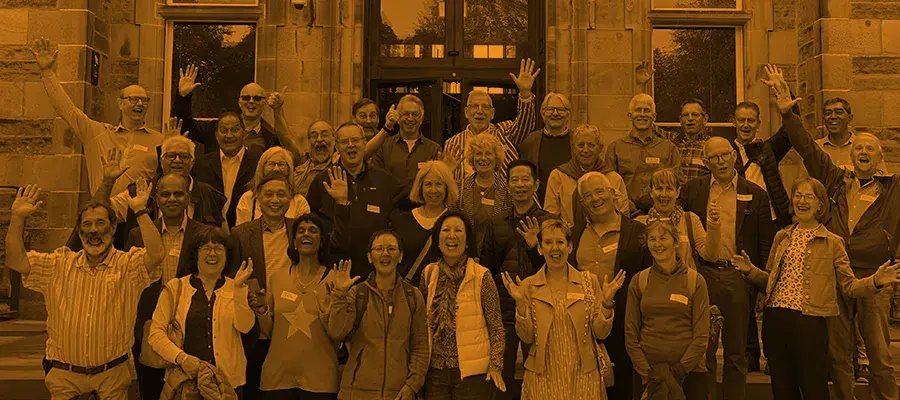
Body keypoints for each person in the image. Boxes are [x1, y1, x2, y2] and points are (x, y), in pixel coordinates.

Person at [762, 64, 900, 400]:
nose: (863, 153)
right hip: (837, 279)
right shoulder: (837, 181)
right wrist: (787, 112)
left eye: (870, 149)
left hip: (875, 279)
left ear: (881, 158)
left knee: (879, 357)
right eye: (858, 150)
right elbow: (808, 149)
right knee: (838, 356)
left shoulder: (894, 189)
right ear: (850, 157)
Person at [732, 176, 900, 399]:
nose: (802, 201)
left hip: (810, 321)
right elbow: (771, 279)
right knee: (782, 389)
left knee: (814, 389)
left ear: (820, 204)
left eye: (808, 196)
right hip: (776, 319)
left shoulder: (833, 242)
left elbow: (849, 286)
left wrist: (875, 281)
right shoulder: (782, 236)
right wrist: (750, 270)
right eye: (798, 196)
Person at [5, 182, 165, 399]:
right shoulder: (58, 264)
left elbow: (156, 255)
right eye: (87, 224)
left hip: (112, 377)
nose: (93, 230)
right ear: (80, 232)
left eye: (100, 223)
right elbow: (16, 260)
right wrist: (17, 218)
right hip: (65, 377)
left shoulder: (128, 265)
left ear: (113, 227)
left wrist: (140, 210)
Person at [678, 136, 775, 400]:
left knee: (735, 351)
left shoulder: (756, 194)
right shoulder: (692, 191)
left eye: (724, 155)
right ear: (706, 162)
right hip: (702, 274)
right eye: (713, 158)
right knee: (703, 350)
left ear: (734, 156)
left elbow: (766, 243)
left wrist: (760, 285)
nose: (720, 161)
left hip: (738, 276)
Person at [502, 218, 624, 399]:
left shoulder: (588, 282)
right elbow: (526, 336)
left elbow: (600, 333)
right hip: (542, 377)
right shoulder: (528, 286)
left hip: (583, 375)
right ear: (540, 248)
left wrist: (606, 304)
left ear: (570, 247)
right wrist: (520, 304)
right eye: (548, 243)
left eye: (560, 242)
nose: (554, 248)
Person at [32, 37, 164, 195]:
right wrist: (47, 73)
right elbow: (66, 109)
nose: (140, 104)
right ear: (121, 104)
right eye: (134, 99)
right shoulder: (97, 133)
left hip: (138, 216)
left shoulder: (159, 140)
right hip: (101, 214)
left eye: (144, 100)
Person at [126, 172, 215, 400]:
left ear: (188, 198)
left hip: (191, 329)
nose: (172, 199)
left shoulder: (205, 234)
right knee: (151, 392)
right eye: (165, 194)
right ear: (155, 199)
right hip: (149, 328)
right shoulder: (138, 234)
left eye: (178, 193)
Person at [569, 172, 652, 400]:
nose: (595, 199)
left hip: (623, 325)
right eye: (587, 196)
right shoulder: (573, 234)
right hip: (581, 327)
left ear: (612, 194)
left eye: (599, 192)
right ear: (582, 203)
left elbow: (648, 281)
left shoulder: (637, 233)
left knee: (620, 390)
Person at [148, 229, 255, 398]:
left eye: (219, 248)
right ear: (195, 254)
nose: (212, 253)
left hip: (227, 385)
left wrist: (239, 289)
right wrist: (182, 359)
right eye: (205, 248)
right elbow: (155, 334)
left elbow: (245, 327)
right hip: (185, 383)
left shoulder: (236, 287)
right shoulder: (176, 288)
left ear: (227, 255)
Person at [478, 159, 552, 399]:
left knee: (542, 376)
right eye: (514, 180)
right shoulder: (496, 222)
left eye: (525, 179)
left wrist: (535, 247)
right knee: (502, 378)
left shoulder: (549, 222)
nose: (520, 185)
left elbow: (557, 269)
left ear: (536, 184)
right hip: (504, 314)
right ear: (508, 185)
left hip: (541, 311)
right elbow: (486, 271)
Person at [327, 229, 430, 400]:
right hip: (356, 392)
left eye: (391, 248)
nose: (385, 254)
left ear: (401, 256)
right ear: (369, 257)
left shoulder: (413, 296)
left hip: (398, 394)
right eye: (379, 249)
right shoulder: (357, 293)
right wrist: (339, 295)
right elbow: (337, 332)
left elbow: (420, 346)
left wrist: (412, 385)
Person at [419, 211, 507, 398]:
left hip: (471, 374)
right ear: (437, 239)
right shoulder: (428, 274)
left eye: (458, 230)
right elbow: (422, 324)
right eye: (446, 230)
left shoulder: (482, 275)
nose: (452, 236)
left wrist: (495, 366)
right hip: (435, 372)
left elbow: (496, 327)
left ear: (467, 241)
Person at [308, 122, 408, 278]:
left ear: (364, 142)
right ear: (337, 147)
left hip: (374, 273)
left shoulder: (384, 180)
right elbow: (312, 222)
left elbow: (413, 200)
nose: (350, 145)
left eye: (355, 140)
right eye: (344, 142)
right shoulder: (323, 181)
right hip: (333, 272)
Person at [257, 214, 341, 399]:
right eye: (301, 231)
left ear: (321, 240)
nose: (306, 234)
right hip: (276, 380)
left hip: (321, 381)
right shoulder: (277, 278)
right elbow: (268, 333)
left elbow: (339, 333)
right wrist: (261, 310)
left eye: (313, 230)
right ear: (294, 240)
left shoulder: (335, 280)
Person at [625, 220, 711, 400]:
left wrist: (678, 373)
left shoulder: (695, 281)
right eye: (652, 239)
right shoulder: (639, 281)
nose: (657, 244)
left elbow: (702, 337)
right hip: (648, 377)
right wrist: (648, 374)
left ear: (676, 242)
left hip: (689, 375)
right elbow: (630, 335)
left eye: (663, 238)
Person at [230, 174, 298, 399]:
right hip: (254, 328)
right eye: (269, 194)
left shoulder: (300, 231)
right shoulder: (240, 234)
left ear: (290, 199)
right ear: (258, 199)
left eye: (281, 194)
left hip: (294, 325)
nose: (275, 200)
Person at [443, 59, 540, 183]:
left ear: (492, 113)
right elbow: (447, 180)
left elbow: (525, 124)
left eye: (485, 107)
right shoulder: (452, 143)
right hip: (465, 200)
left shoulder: (504, 132)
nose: (479, 111)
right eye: (474, 106)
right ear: (466, 112)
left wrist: (525, 93)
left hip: (501, 200)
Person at [174, 64, 292, 155]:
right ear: (239, 102)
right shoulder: (217, 128)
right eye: (246, 98)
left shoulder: (269, 138)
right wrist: (183, 97)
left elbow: (291, 154)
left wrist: (278, 110)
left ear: (264, 103)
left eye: (257, 98)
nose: (251, 101)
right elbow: (183, 126)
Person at [606, 94, 681, 214]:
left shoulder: (669, 148)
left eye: (647, 111)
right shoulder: (615, 148)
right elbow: (610, 186)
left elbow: (677, 183)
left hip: (662, 214)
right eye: (637, 110)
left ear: (654, 116)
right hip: (627, 214)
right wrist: (628, 205)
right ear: (630, 115)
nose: (642, 114)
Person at [636, 168, 721, 271]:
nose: (663, 194)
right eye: (659, 189)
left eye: (669, 189)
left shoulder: (690, 220)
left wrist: (713, 224)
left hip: (687, 285)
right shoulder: (640, 223)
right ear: (651, 192)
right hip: (652, 285)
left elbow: (710, 256)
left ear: (677, 192)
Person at [544, 124, 629, 227]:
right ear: (573, 147)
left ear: (600, 148)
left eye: (591, 145)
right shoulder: (558, 176)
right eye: (580, 145)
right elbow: (550, 217)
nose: (585, 150)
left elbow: (623, 216)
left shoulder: (613, 178)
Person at [388, 160, 458, 283]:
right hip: (408, 295)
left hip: (444, 295)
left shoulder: (456, 221)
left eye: (439, 184)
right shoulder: (402, 220)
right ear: (420, 188)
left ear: (447, 188)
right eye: (428, 184)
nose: (433, 190)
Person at [191, 112, 264, 228]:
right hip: (208, 233)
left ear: (244, 134)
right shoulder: (201, 164)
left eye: (235, 130)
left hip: (245, 231)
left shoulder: (258, 164)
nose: (229, 136)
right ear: (216, 135)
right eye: (223, 130)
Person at [731, 101, 794, 230]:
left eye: (751, 120)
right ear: (734, 122)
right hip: (740, 223)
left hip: (771, 220)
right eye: (741, 120)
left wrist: (786, 104)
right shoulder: (726, 152)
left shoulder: (768, 149)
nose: (746, 125)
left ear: (758, 123)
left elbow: (790, 130)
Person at [369, 94, 442, 186]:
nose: (410, 118)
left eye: (415, 114)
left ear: (421, 119)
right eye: (405, 114)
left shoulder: (433, 149)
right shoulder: (383, 147)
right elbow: (377, 181)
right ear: (398, 118)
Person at [458, 134, 512, 251]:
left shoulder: (508, 189)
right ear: (472, 158)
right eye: (478, 153)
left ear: (496, 158)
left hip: (498, 255)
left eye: (488, 153)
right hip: (467, 254)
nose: (483, 158)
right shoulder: (460, 188)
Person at [518, 92, 574, 200]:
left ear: (568, 114)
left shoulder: (576, 140)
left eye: (561, 110)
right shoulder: (531, 140)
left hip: (570, 201)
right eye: (550, 109)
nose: (555, 113)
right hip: (539, 202)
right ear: (543, 114)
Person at [235, 147, 311, 225]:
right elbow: (241, 234)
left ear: (289, 169)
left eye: (281, 164)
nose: (276, 169)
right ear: (262, 168)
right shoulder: (248, 199)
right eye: (271, 164)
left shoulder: (299, 202)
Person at [669, 99, 712, 183]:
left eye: (695, 115)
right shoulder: (671, 144)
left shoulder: (711, 146)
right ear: (681, 120)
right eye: (685, 115)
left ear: (705, 119)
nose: (690, 118)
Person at [293, 120, 340, 197]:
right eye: (314, 136)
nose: (319, 139)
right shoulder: (301, 162)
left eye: (324, 135)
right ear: (309, 140)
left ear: (334, 139)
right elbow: (285, 137)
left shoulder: (340, 164)